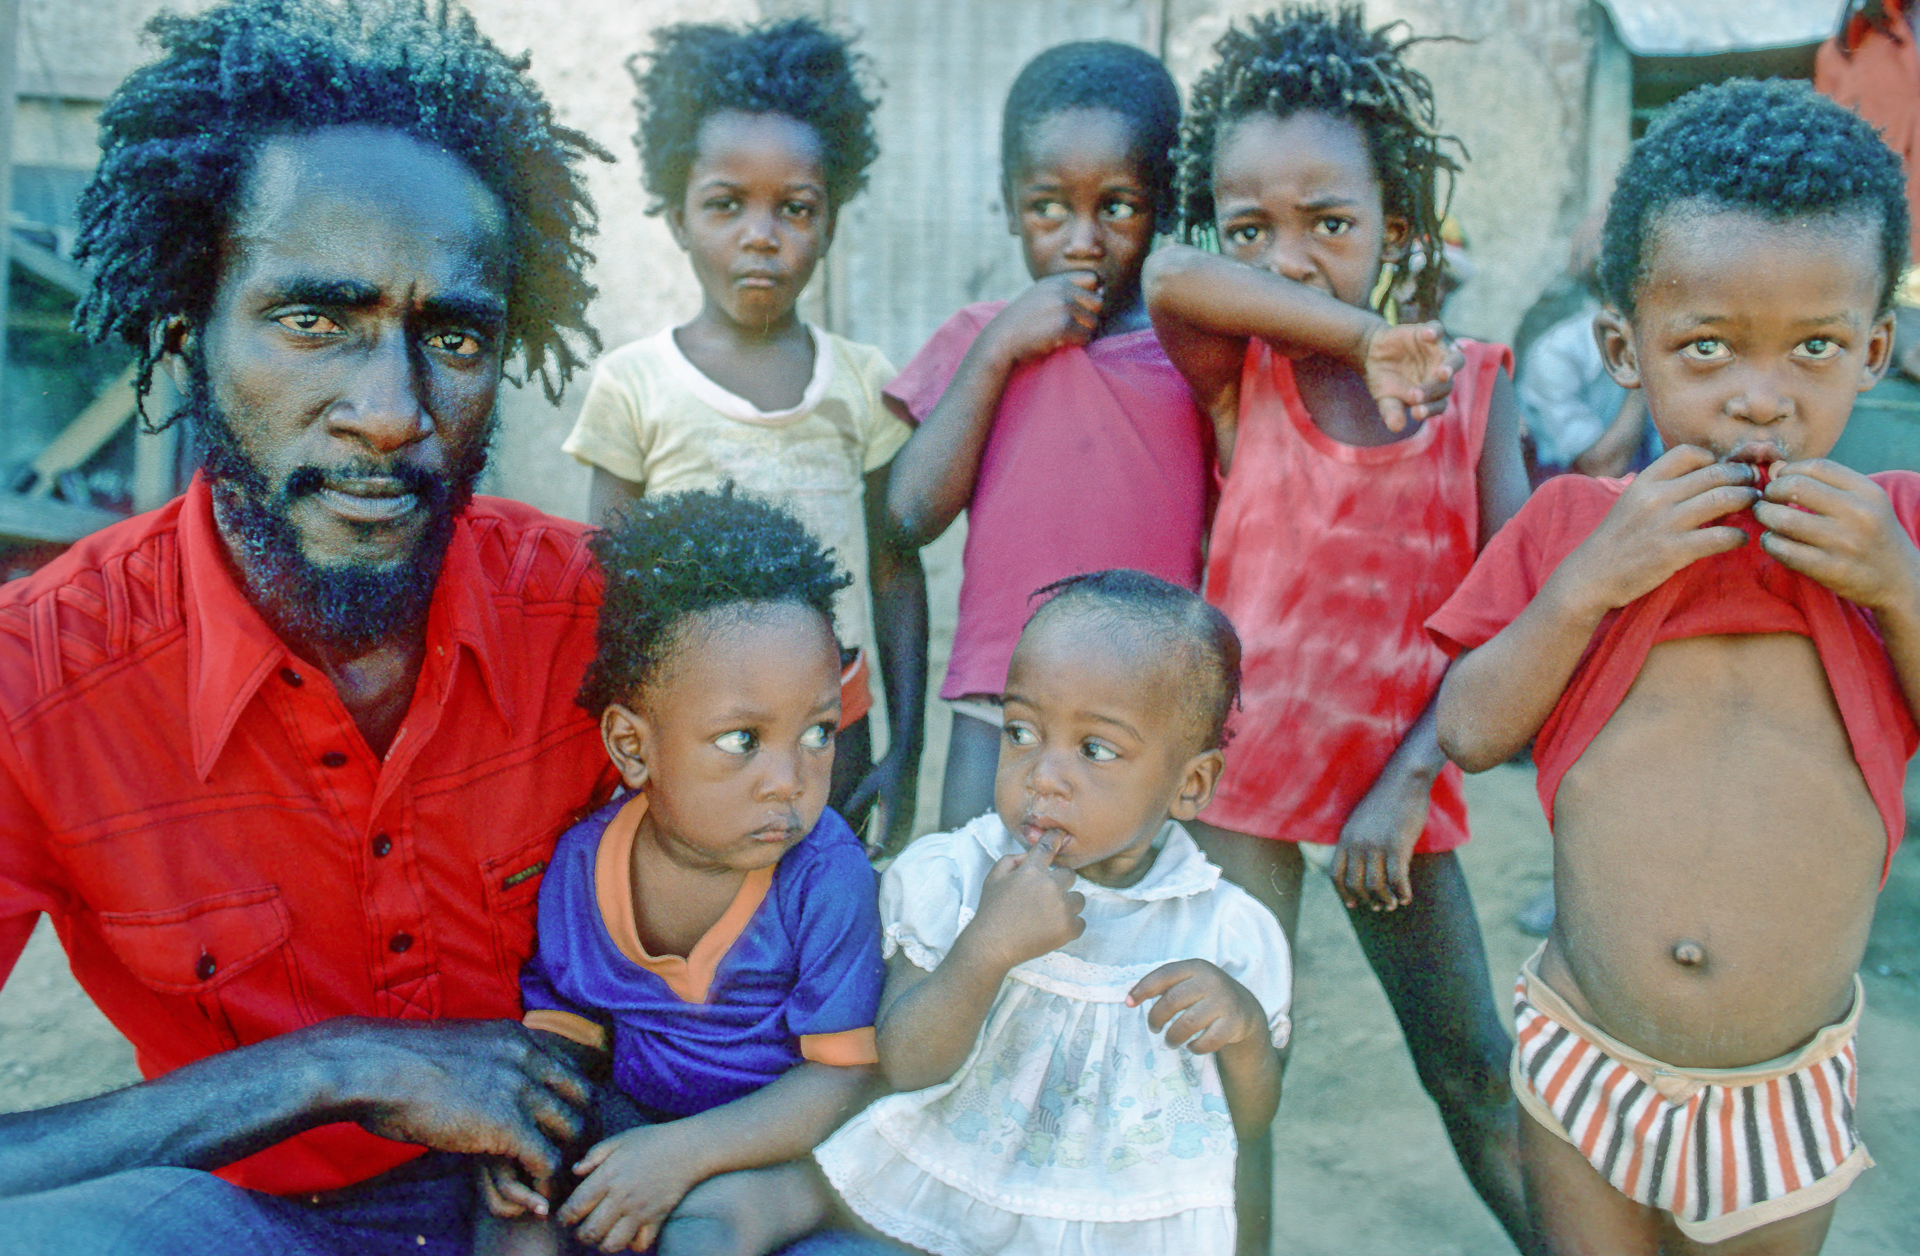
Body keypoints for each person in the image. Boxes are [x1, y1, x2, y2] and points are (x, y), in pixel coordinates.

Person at [0, 1, 621, 1251]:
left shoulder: (605, 619)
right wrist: (326, 1067)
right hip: (248, 1221)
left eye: (453, 335)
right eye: (312, 320)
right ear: (186, 327)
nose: (390, 411)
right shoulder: (37, 676)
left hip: (581, 1206)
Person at [1430, 80, 1918, 1254]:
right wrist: (1591, 578)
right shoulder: (1573, 526)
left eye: (1815, 348)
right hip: (1588, 1047)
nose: (1762, 397)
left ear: (1875, 350)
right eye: (1707, 347)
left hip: (1782, 1081)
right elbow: (1468, 729)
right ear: (1625, 349)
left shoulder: (1895, 527)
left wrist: (1897, 583)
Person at [1141, 7, 1541, 1252]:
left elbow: (1516, 610)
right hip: (1243, 781)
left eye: (1332, 222)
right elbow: (1167, 275)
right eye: (1252, 226)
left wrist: (1413, 776)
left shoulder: (1474, 384)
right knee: (1236, 1085)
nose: (1292, 257)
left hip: (1399, 785)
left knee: (1474, 1074)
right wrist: (1366, 332)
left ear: (1400, 228)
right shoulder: (1237, 369)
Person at [813, 570, 1291, 1256]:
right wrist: (984, 949)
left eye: (1094, 749)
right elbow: (907, 1065)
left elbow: (1251, 1119)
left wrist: (1243, 1029)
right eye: (1021, 730)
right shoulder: (955, 877)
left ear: (1190, 785)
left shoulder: (1226, 932)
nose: (1043, 774)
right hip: (948, 1213)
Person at [476, 489, 885, 1256]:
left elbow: (841, 1078)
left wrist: (681, 1158)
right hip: (633, 1118)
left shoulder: (826, 878)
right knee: (517, 1221)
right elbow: (568, 1022)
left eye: (819, 732)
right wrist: (523, 1131)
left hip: (773, 1142)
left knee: (700, 1234)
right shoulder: (583, 865)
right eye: (742, 739)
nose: (788, 779)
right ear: (634, 748)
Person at [561, 18, 925, 850]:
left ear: (830, 222)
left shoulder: (864, 383)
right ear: (678, 214)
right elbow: (603, 584)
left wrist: (908, 747)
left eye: (794, 209)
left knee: (825, 921)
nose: (761, 234)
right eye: (727, 204)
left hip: (837, 717)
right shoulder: (635, 384)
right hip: (692, 730)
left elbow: (895, 570)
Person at [881, 41, 1211, 831]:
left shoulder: (1196, 354)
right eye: (1049, 208)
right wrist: (997, 349)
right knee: (971, 912)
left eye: (1119, 206)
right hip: (1000, 698)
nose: (1083, 240)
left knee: (1127, 929)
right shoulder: (978, 341)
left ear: (1165, 204)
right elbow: (905, 514)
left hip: (1148, 709)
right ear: (1008, 205)